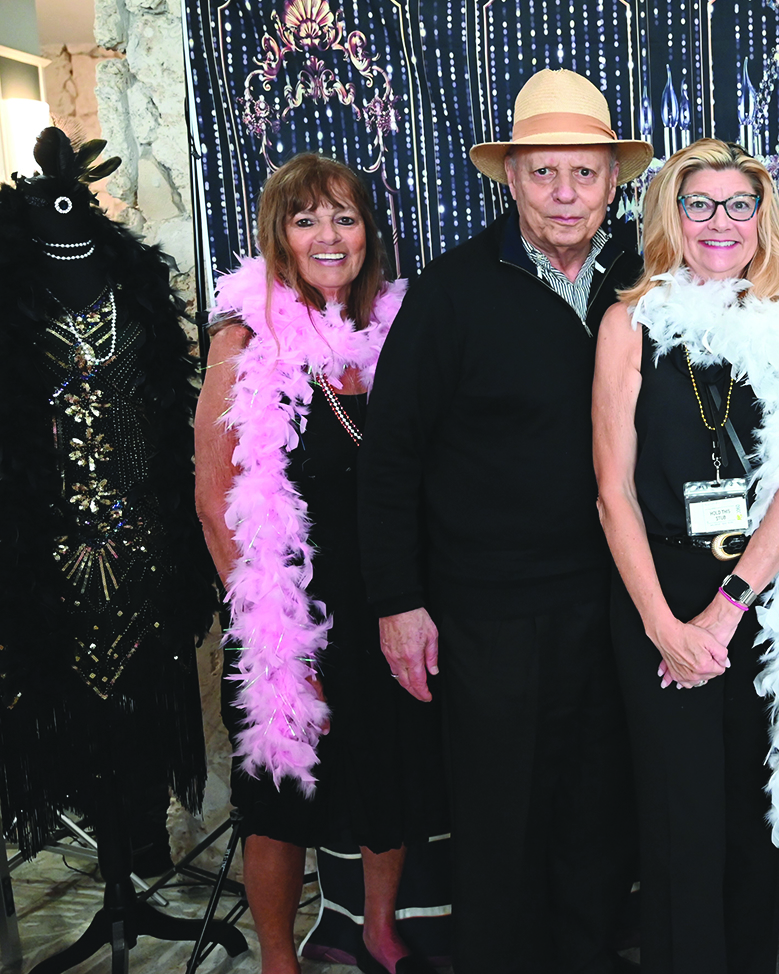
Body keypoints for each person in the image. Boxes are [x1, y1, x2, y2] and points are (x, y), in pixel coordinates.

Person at [358, 69, 651, 974]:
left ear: (612, 181)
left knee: (600, 811)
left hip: (620, 599)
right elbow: (390, 458)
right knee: (500, 820)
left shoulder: (648, 280)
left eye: (584, 173)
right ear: (511, 178)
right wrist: (398, 601)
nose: (565, 194)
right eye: (543, 172)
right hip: (490, 610)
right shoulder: (450, 292)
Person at [593, 138, 779, 974]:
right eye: (699, 204)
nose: (720, 222)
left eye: (738, 205)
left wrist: (724, 613)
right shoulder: (628, 323)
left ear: (763, 219)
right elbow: (612, 492)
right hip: (656, 587)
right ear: (670, 217)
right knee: (678, 824)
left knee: (751, 824)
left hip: (758, 594)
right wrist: (663, 625)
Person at [196, 152, 443, 974]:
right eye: (306, 220)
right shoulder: (243, 341)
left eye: (344, 216)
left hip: (384, 596)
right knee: (280, 796)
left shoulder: (396, 334)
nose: (328, 236)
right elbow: (215, 500)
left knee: (386, 775)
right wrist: (274, 636)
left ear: (369, 231)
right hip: (285, 609)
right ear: (280, 236)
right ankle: (278, 956)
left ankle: (378, 930)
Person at [0, 128, 218, 869]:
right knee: (66, 695)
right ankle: (105, 851)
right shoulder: (9, 285)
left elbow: (166, 407)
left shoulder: (135, 281)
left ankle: (144, 841)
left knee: (148, 691)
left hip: (146, 536)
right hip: (44, 541)